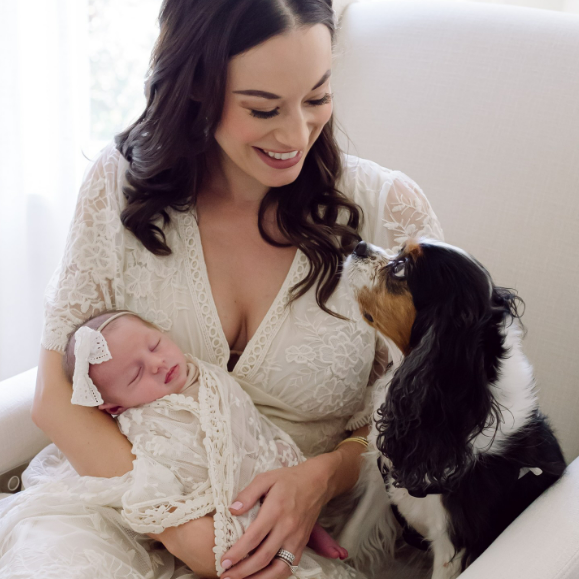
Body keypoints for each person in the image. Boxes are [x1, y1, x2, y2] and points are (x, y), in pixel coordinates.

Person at [28, 0, 443, 577]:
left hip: (297, 536)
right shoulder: (117, 186)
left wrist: (322, 476)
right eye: (264, 108)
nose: (297, 133)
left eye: (317, 98)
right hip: (119, 505)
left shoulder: (385, 213)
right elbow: (56, 397)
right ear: (195, 88)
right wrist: (180, 528)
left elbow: (436, 408)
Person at [0, 310, 353, 578]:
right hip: (204, 509)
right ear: (115, 406)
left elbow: (251, 426)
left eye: (154, 345)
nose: (157, 364)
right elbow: (155, 482)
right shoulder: (142, 421)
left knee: (281, 489)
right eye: (135, 375)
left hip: (265, 475)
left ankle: (308, 531)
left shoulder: (209, 377)